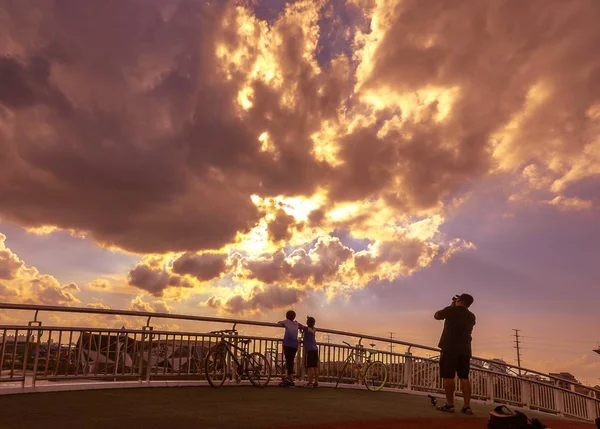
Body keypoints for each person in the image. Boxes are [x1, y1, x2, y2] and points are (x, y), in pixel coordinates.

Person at [434, 293, 476, 415]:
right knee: (464, 377)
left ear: (459, 300)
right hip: (465, 349)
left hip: (449, 348)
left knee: (448, 376)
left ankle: (449, 404)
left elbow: (437, 315)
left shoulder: (451, 310)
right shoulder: (471, 316)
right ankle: (467, 406)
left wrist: (452, 306)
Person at [278, 310, 302, 387]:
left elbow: (279, 322)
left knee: (289, 361)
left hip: (287, 345)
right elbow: (301, 326)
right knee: (290, 361)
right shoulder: (296, 323)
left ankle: (291, 380)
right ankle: (288, 378)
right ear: (294, 317)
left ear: (287, 316)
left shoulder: (286, 322)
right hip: (294, 345)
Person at [303, 316, 319, 388]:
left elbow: (301, 326)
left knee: (311, 367)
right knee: (315, 367)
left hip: (310, 350)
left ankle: (310, 383)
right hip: (315, 349)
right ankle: (316, 382)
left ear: (307, 323)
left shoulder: (306, 329)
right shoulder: (314, 329)